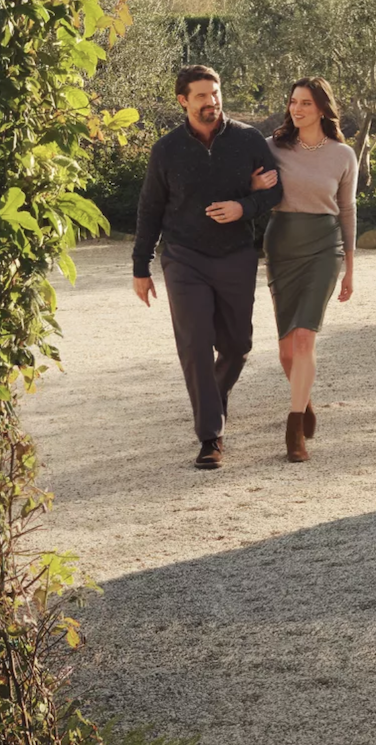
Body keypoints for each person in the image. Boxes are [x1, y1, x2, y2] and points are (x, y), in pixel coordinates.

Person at [133, 65, 284, 469]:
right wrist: (140, 266)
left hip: (236, 255)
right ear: (183, 100)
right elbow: (149, 208)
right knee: (195, 344)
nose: (211, 101)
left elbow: (276, 191)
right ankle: (210, 437)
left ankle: (213, 401)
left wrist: (243, 207)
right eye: (201, 95)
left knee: (238, 345)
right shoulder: (165, 150)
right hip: (184, 258)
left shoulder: (248, 140)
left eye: (214, 93)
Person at [251, 77, 357, 463]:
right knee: (284, 350)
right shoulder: (271, 148)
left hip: (324, 247)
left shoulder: (343, 155)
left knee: (303, 340)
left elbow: (347, 210)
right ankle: (305, 401)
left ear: (322, 109)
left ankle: (294, 429)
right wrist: (252, 182)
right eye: (293, 102)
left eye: (306, 104)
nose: (297, 109)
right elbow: (246, 186)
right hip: (282, 244)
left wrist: (350, 266)